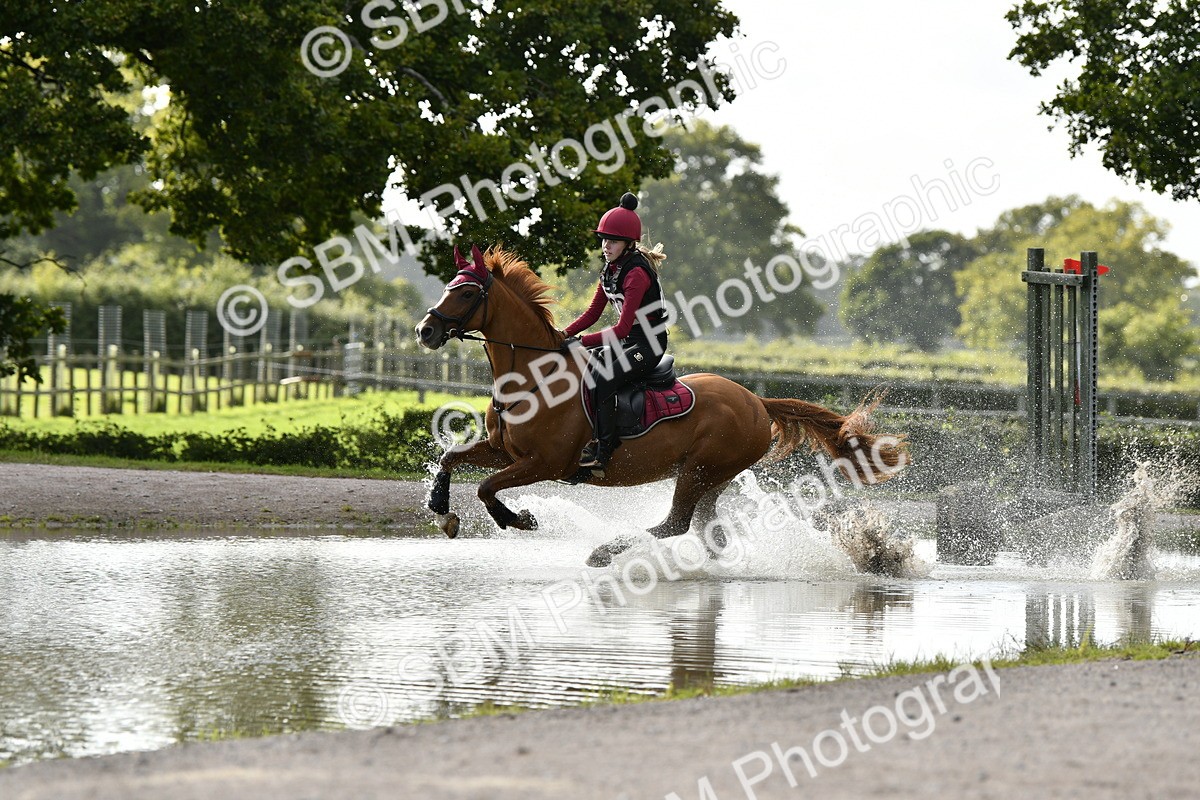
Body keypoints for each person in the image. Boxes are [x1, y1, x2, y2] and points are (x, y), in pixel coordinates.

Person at [560, 192, 669, 477]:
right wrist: (562, 334)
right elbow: (592, 314)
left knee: (604, 378)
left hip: (648, 344)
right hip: (628, 341)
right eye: (604, 240)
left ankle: (603, 450)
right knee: (586, 369)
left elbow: (621, 328)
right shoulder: (611, 270)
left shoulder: (635, 274)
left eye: (613, 241)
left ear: (628, 243)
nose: (606, 246)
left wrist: (580, 341)